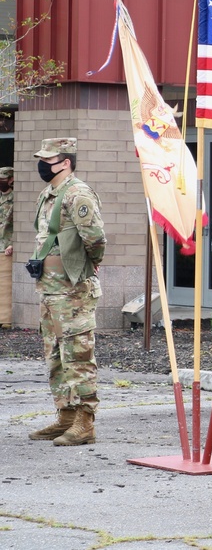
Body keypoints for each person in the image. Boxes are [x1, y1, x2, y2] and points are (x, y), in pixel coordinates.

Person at [27, 138, 106, 446]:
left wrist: (89, 266)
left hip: (73, 290)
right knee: (56, 356)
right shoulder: (48, 195)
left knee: (78, 355)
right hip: (50, 288)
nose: (43, 164)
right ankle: (66, 415)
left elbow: (96, 239)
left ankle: (85, 422)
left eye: (49, 159)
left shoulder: (78, 194)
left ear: (66, 162)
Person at [0, 166, 13, 328]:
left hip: (6, 246)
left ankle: (6, 320)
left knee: (5, 285)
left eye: (3, 179)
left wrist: (13, 243)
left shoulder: (16, 199)